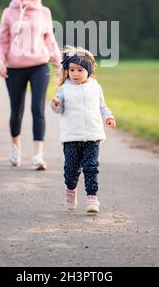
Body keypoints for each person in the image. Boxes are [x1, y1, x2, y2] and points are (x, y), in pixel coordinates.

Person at [0, 0, 61, 170]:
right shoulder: (9, 12)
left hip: (39, 66)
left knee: (38, 108)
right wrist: (0, 61)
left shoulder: (45, 12)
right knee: (17, 111)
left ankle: (37, 156)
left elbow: (49, 39)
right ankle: (15, 149)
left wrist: (58, 62)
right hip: (14, 67)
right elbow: (1, 40)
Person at [50, 46, 116, 213]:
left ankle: (92, 198)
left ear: (88, 71)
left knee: (91, 167)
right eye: (72, 70)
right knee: (71, 171)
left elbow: (103, 107)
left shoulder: (95, 87)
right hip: (71, 138)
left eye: (80, 70)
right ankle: (71, 190)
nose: (75, 74)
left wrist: (108, 117)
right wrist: (56, 104)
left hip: (93, 136)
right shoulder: (65, 89)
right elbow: (59, 109)